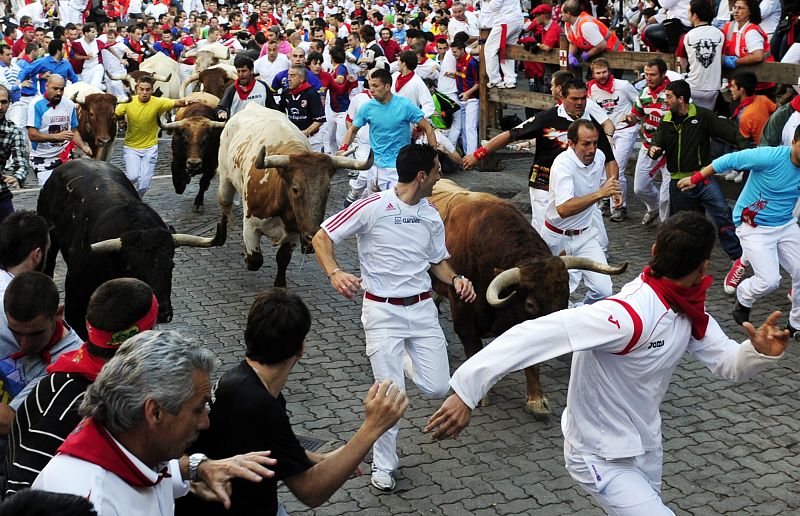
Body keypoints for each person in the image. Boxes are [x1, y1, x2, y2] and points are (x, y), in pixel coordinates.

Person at [425, 210, 789, 514]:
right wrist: (467, 389)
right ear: (705, 264)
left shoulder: (689, 307)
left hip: (646, 446)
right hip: (598, 454)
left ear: (654, 249)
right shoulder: (625, 315)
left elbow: (726, 363)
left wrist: (756, 352)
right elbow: (532, 334)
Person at [312, 143, 476, 493]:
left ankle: (402, 359)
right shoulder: (372, 206)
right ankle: (385, 466)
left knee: (436, 387)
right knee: (392, 399)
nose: (440, 175)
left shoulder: (431, 214)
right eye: (436, 170)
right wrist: (335, 273)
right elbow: (322, 237)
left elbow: (438, 261)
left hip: (421, 311)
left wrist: (457, 279)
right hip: (382, 312)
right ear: (421, 176)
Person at [175, 289, 408, 515]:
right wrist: (372, 427)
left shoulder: (241, 381)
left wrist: (323, 459)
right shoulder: (257, 402)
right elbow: (311, 491)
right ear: (301, 348)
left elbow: (275, 446)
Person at [31, 330, 279, 515]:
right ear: (155, 412)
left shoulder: (133, 449)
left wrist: (198, 466)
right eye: (197, 409)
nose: (205, 423)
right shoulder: (92, 501)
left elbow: (163, 473)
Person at [5, 278, 159, 495]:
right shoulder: (66, 402)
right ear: (146, 336)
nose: (23, 343)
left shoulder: (106, 386)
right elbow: (19, 493)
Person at [677, 125, 800, 338]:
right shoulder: (769, 157)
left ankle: (795, 323)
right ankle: (744, 296)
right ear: (794, 142)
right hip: (754, 226)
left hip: (785, 224)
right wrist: (694, 179)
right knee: (770, 281)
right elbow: (727, 161)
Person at [464, 78, 620, 234]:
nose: (580, 103)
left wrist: (614, 189)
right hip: (544, 184)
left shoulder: (591, 125)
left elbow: (610, 159)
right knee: (545, 230)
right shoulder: (546, 118)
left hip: (576, 187)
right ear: (563, 98)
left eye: (583, 98)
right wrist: (479, 154)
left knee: (584, 232)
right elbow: (511, 135)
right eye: (574, 99)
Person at [648, 79, 747, 296]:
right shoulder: (666, 120)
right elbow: (658, 141)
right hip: (679, 183)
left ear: (681, 99)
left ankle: (738, 258)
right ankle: (685, 269)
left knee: (722, 213)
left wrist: (749, 150)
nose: (666, 101)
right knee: (686, 229)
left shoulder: (702, 116)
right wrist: (653, 149)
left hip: (703, 178)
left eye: (669, 97)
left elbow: (728, 132)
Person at [543, 119, 621, 304]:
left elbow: (610, 164)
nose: (592, 149)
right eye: (586, 144)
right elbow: (563, 209)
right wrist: (600, 193)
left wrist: (613, 188)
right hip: (557, 239)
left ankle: (581, 313)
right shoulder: (563, 165)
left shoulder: (599, 156)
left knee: (604, 290)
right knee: (556, 294)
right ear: (571, 144)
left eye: (595, 142)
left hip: (586, 236)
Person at [0, 272, 83, 437]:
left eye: (35, 334)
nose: (23, 343)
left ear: (58, 314)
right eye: (15, 332)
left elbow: (8, 423)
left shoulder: (67, 364)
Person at [340, 68, 437, 205]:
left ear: (387, 86)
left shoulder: (405, 105)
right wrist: (343, 147)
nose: (371, 89)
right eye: (370, 85)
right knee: (374, 207)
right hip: (375, 168)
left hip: (399, 168)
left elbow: (428, 127)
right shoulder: (367, 107)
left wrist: (434, 157)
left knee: (398, 206)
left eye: (375, 86)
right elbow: (352, 130)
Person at [115, 76, 197, 196]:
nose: (144, 93)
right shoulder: (128, 102)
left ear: (152, 90)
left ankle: (137, 201)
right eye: (141, 89)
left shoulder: (158, 102)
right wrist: (120, 118)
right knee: (133, 177)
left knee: (144, 185)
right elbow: (115, 113)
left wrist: (187, 101)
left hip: (150, 148)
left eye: (148, 89)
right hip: (131, 147)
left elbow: (176, 102)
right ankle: (128, 196)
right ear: (136, 89)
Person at [587, 58, 639, 223]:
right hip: (605, 133)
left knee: (617, 168)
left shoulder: (623, 86)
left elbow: (639, 103)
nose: (602, 76)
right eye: (598, 73)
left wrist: (631, 116)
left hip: (625, 131)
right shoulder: (591, 89)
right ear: (593, 74)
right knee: (602, 167)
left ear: (609, 71)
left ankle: (618, 206)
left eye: (604, 72)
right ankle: (605, 198)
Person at [623, 58, 672, 226]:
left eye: (653, 75)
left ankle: (666, 226)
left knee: (667, 194)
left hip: (670, 150)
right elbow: (635, 116)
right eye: (647, 75)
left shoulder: (672, 93)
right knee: (639, 187)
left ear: (663, 75)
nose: (649, 78)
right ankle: (653, 207)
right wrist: (629, 119)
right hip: (648, 146)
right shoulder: (643, 94)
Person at [27, 74, 92, 186]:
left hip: (65, 156)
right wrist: (56, 137)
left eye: (61, 89)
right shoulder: (36, 105)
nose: (58, 93)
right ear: (47, 86)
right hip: (42, 157)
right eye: (55, 88)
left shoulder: (70, 105)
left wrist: (83, 146)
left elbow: (74, 131)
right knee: (50, 193)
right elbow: (32, 135)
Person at [676, 0, 724, 110]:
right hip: (713, 88)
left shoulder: (686, 37)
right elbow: (721, 60)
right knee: (706, 117)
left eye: (689, 13)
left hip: (694, 87)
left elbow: (683, 64)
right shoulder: (720, 34)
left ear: (695, 16)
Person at [721, 0, 775, 96]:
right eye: (735, 7)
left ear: (750, 12)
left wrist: (736, 62)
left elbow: (758, 56)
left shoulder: (752, 31)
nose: (736, 11)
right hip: (739, 83)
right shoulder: (729, 27)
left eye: (740, 8)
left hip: (759, 83)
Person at [562, 0, 623, 70]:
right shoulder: (569, 23)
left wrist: (588, 54)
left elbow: (601, 45)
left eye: (562, 12)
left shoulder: (586, 25)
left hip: (613, 54)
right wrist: (571, 55)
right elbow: (573, 42)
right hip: (597, 54)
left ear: (568, 14)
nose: (561, 15)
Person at [279, 65, 326, 151]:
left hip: (312, 139)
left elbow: (320, 119)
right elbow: (280, 113)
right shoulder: (285, 93)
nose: (288, 79)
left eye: (292, 76)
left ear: (301, 78)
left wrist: (306, 132)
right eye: (288, 75)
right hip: (293, 139)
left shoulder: (311, 93)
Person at [0, 86, 29, 221]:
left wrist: (17, 177)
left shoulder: (13, 131)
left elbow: (22, 164)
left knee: (12, 233)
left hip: (1, 191)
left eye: (4, 102)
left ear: (9, 104)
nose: (0, 107)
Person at [218, 54, 279, 119]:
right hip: (239, 127)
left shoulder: (263, 86)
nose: (241, 74)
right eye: (238, 71)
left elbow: (272, 108)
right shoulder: (232, 90)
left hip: (261, 126)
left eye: (244, 71)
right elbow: (220, 108)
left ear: (252, 71)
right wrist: (221, 112)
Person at [449, 37, 479, 155]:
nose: (454, 54)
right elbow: (463, 76)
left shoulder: (472, 62)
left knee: (470, 128)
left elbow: (478, 83)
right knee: (464, 129)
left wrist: (468, 93)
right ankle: (467, 155)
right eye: (452, 52)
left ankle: (472, 157)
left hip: (472, 100)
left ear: (462, 50)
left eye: (455, 52)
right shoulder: (458, 60)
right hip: (462, 99)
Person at [483, 0, 522, 89]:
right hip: (517, 20)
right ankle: (510, 80)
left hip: (505, 21)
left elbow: (494, 6)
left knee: (489, 48)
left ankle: (495, 80)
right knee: (506, 49)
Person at [70, 23, 106, 90]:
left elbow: (109, 47)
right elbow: (72, 56)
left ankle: (99, 86)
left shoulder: (98, 41)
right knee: (87, 89)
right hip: (85, 69)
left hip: (97, 67)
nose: (96, 33)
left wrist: (120, 58)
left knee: (95, 86)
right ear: (86, 33)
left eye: (95, 31)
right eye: (93, 32)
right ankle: (102, 86)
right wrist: (85, 57)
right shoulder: (76, 43)